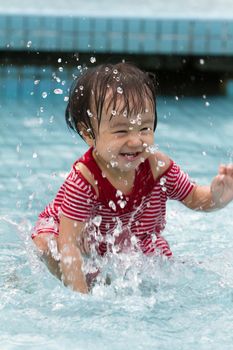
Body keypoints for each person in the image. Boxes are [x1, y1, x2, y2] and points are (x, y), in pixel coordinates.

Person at [32, 62, 233, 294]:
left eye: (144, 128)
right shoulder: (84, 180)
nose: (136, 141)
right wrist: (82, 301)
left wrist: (219, 197)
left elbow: (197, 198)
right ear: (89, 135)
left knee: (156, 266)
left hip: (131, 240)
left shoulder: (158, 167)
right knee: (49, 245)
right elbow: (68, 243)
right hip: (78, 237)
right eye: (121, 131)